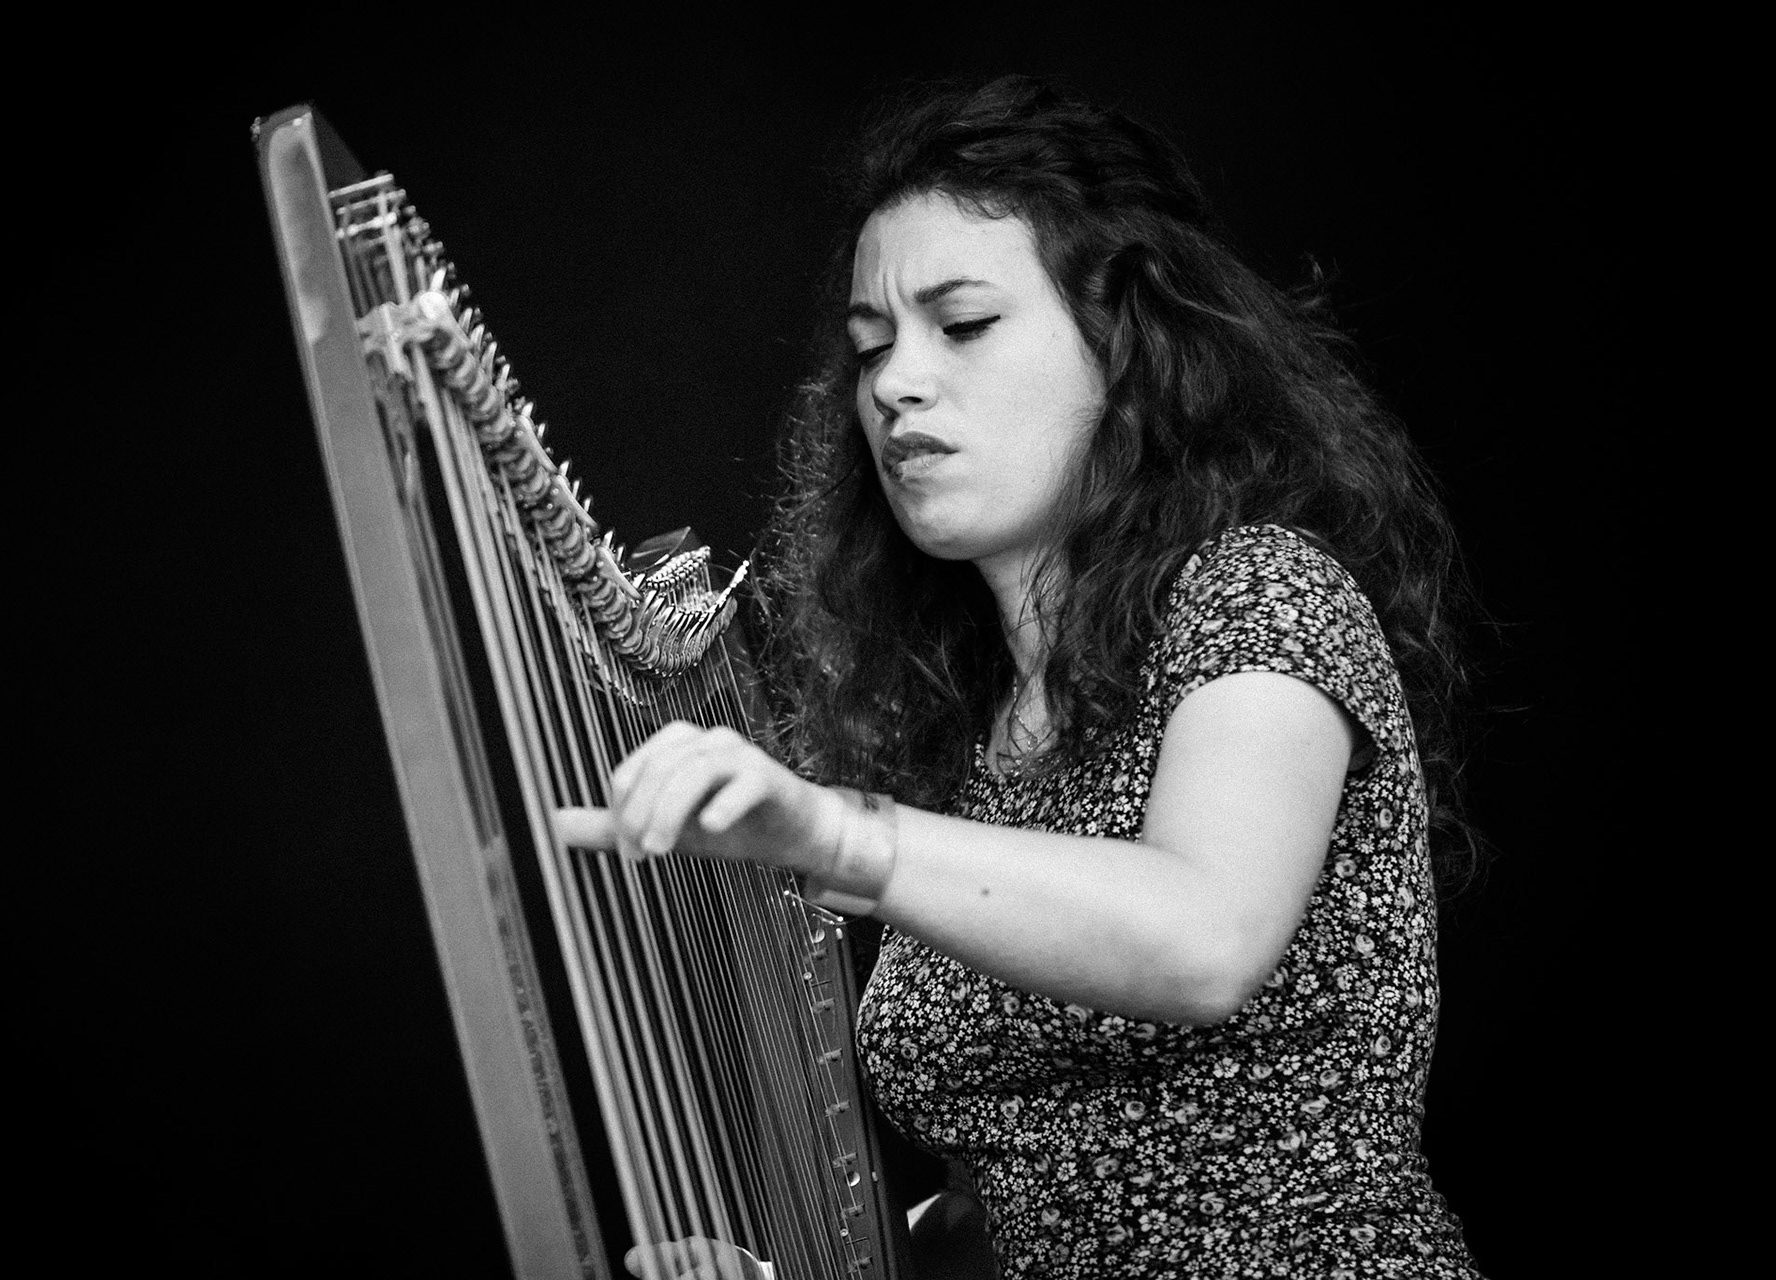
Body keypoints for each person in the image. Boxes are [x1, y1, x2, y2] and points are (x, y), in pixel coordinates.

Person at [557, 74, 1481, 1279]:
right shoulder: (970, 731)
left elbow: (1203, 935)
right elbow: (1028, 1193)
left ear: (1128, 342)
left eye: (966, 324)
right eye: (871, 346)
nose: (893, 384)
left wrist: (844, 835)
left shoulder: (1260, 592)